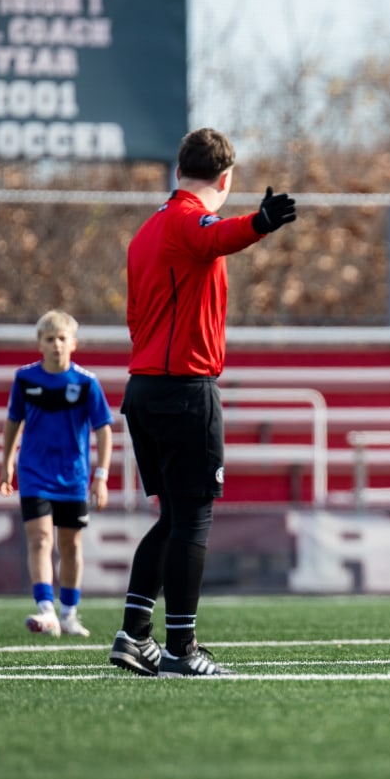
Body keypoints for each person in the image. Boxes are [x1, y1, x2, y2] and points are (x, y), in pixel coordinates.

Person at [108, 127, 297, 678]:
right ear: (226, 178)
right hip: (184, 388)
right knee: (193, 519)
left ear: (176, 170)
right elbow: (218, 235)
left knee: (172, 517)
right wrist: (260, 222)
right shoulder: (189, 219)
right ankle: (181, 651)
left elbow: (137, 318)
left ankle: (133, 634)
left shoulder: (145, 233)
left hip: (143, 385)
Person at [0, 310, 113, 639]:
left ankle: (69, 614)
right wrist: (7, 462)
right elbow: (12, 422)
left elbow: (104, 430)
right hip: (34, 473)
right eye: (50, 339)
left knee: (71, 546)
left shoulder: (86, 383)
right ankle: (46, 609)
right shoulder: (25, 379)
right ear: (40, 344)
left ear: (73, 343)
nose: (57, 345)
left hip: (73, 477)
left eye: (62, 339)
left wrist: (101, 475)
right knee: (40, 539)